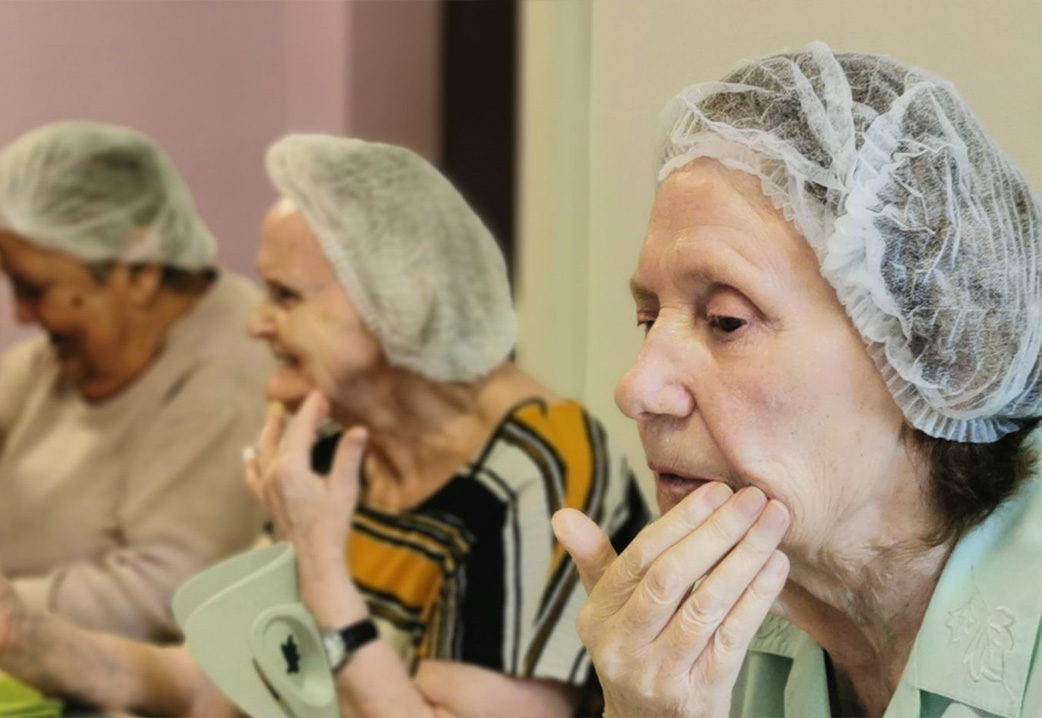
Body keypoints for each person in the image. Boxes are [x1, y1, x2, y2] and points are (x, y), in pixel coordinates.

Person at [0, 135, 649, 717]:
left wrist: (319, 568)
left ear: (400, 304)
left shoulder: (536, 470)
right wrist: (25, 634)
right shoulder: (335, 443)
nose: (254, 323)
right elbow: (217, 684)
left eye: (285, 296)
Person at [552, 42, 1042, 717]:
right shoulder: (711, 631)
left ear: (926, 348)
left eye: (725, 320)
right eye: (647, 317)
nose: (636, 388)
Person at [0, 121, 271, 641]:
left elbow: (167, 594)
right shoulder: (54, 359)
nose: (20, 313)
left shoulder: (230, 378)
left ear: (141, 272)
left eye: (35, 289)